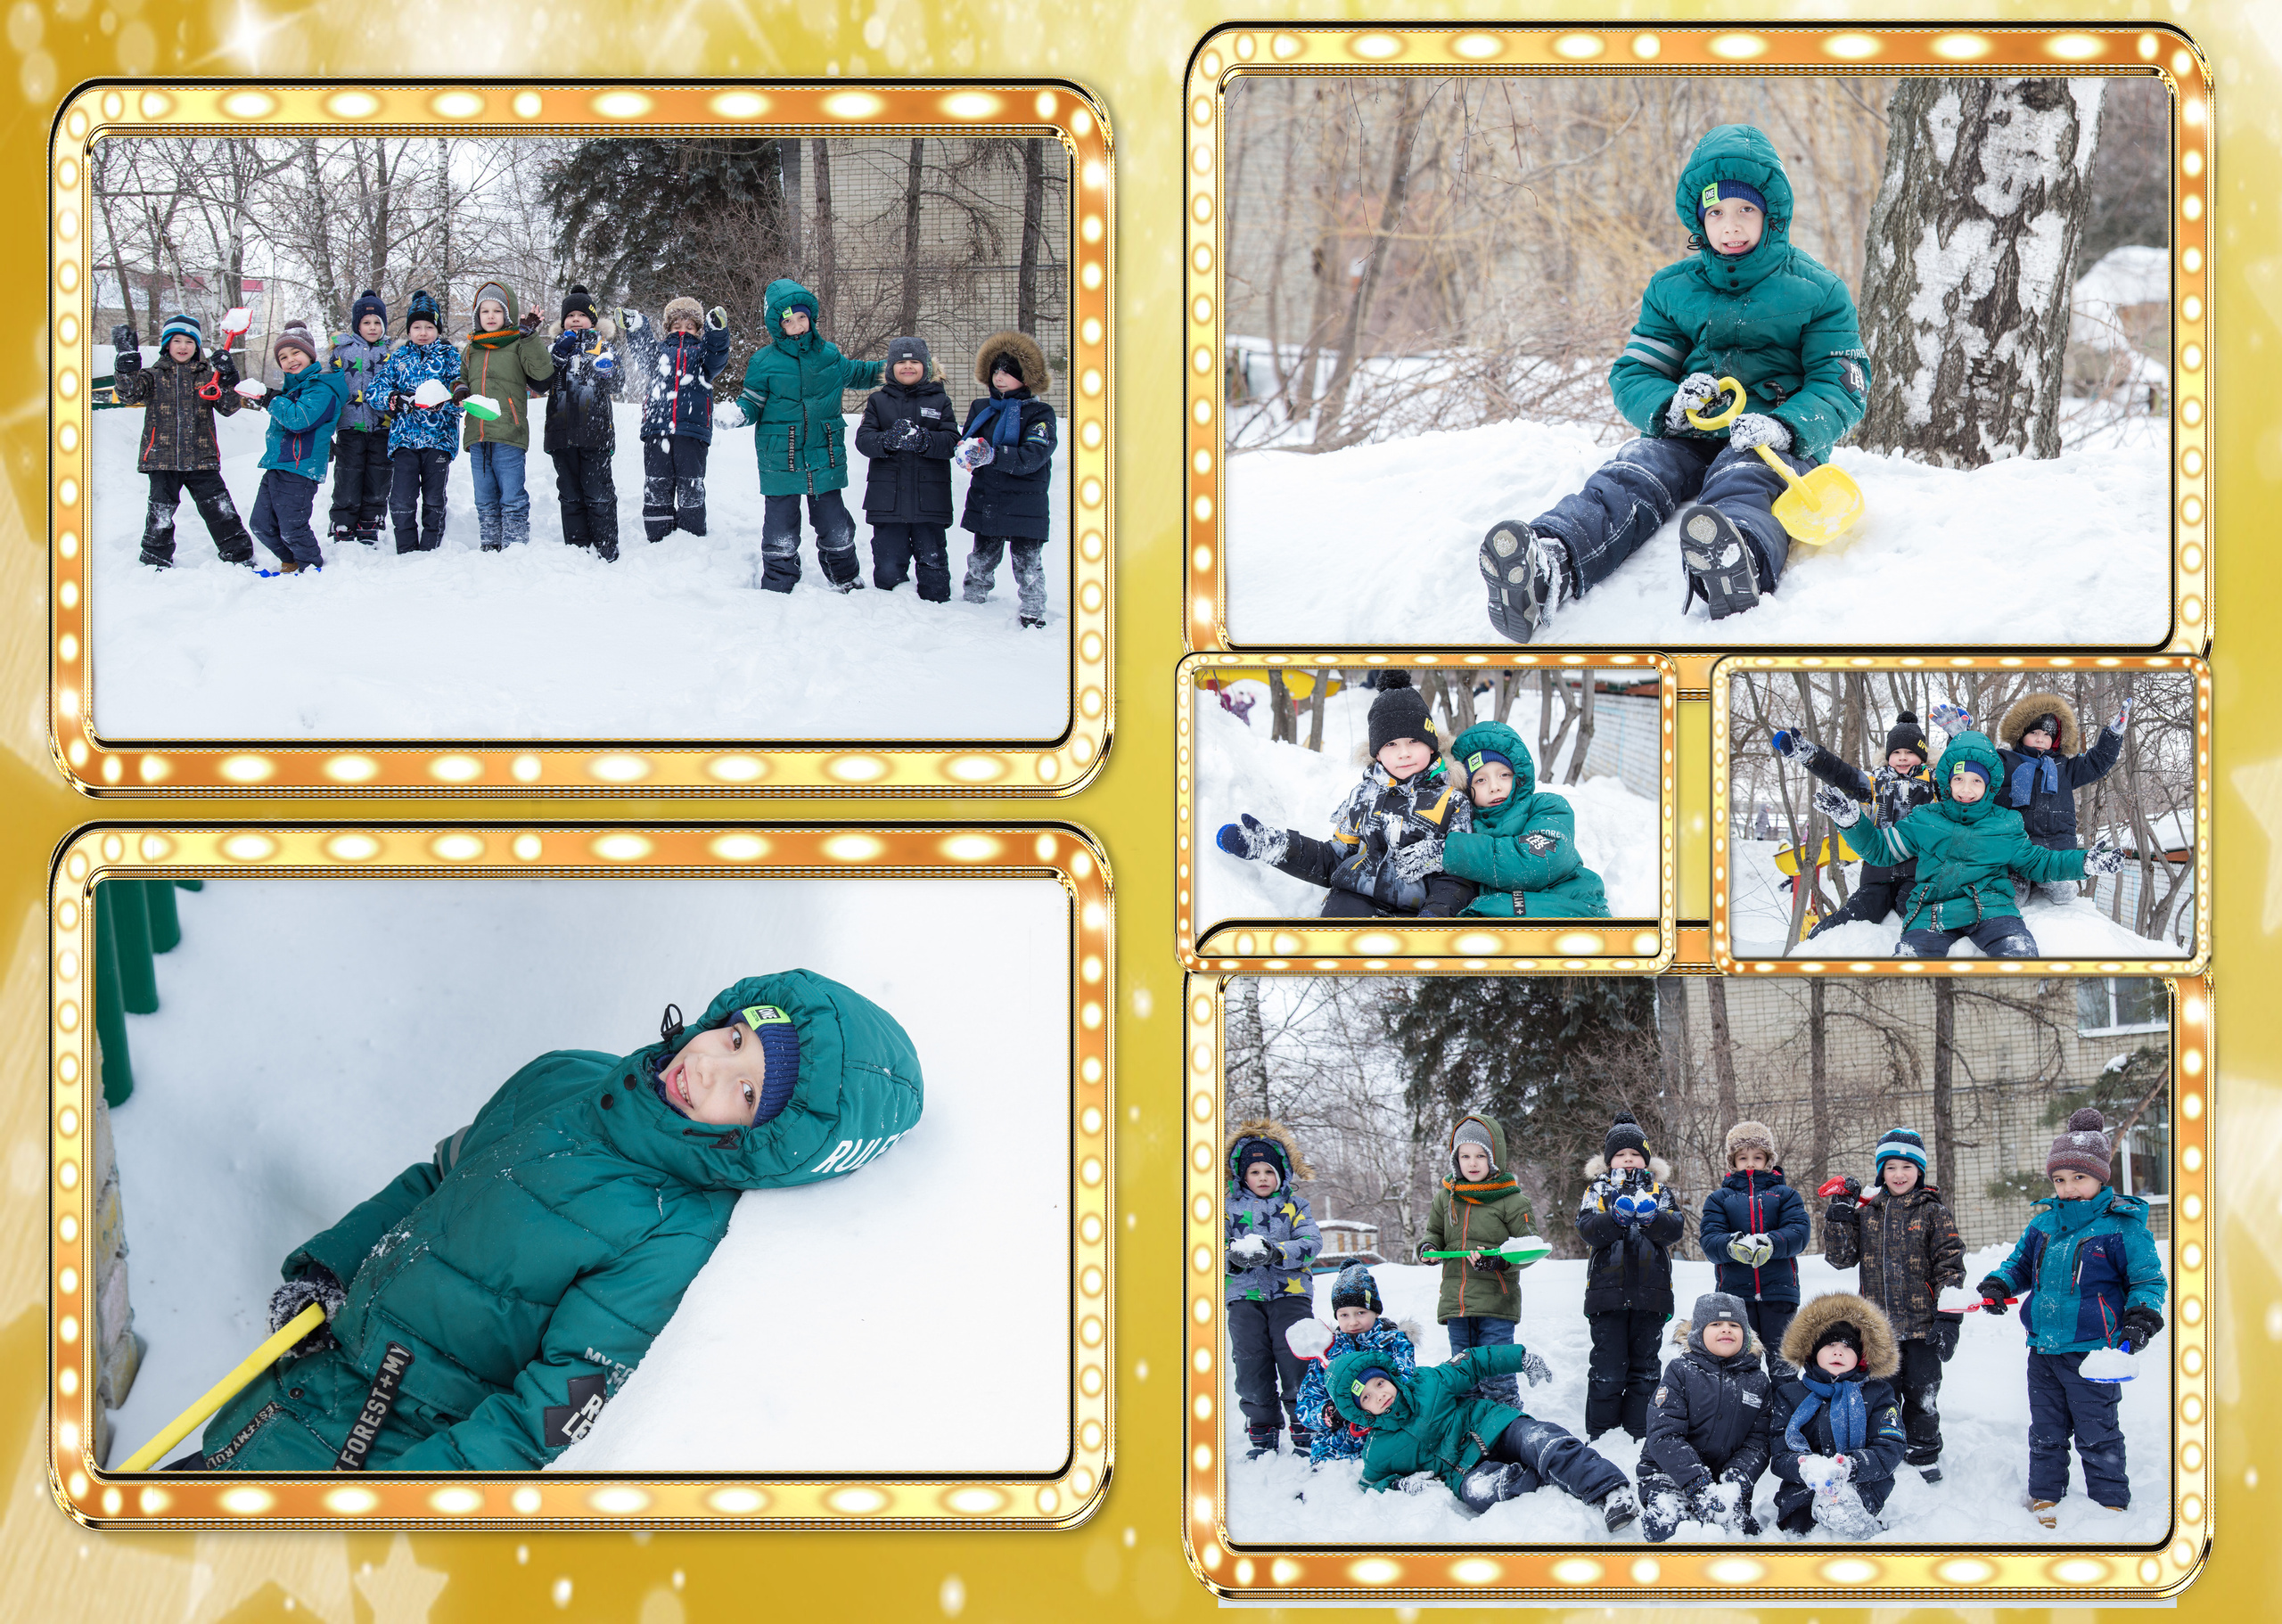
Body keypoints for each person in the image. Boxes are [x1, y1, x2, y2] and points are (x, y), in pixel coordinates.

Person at [181, 972, 923, 1471]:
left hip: (382, 1445)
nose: (708, 1070)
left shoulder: (671, 1231)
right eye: (734, 1041)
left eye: (745, 1088)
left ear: (758, 1143)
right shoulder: (564, 1075)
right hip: (298, 1375)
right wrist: (331, 1272)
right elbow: (438, 1178)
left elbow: (553, 1407)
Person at [1480, 124, 1869, 638]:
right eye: (1717, 213)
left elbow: (1842, 381)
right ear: (1699, 219)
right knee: (1630, 474)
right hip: (1689, 432)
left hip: (1769, 441)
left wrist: (1786, 427)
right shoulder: (1671, 290)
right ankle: (1547, 562)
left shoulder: (1818, 291)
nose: (1730, 226)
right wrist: (1670, 406)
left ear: (1771, 216)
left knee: (1746, 480)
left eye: (1745, 211)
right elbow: (1636, 371)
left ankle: (1738, 558)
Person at [1975, 1108, 2168, 1529]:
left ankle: (2109, 1501)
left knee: (2097, 1431)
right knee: (2045, 1429)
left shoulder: (2123, 1228)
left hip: (2094, 1352)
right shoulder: (2043, 1225)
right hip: (2043, 1349)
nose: (2068, 1188)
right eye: (2059, 1180)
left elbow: (2148, 1281)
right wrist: (1999, 1285)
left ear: (2101, 1177)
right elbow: (2018, 1266)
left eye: (2078, 1178)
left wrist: (2141, 1317)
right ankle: (2046, 1495)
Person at [1814, 730, 2126, 958]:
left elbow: (2042, 862)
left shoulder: (2005, 823)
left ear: (1988, 785)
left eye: (1976, 781)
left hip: (1994, 911)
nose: (1967, 789)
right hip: (1933, 912)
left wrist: (2084, 863)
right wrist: (1852, 822)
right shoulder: (1925, 819)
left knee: (2021, 956)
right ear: (1947, 781)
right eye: (1959, 779)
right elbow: (1882, 851)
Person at [1214, 673, 1475, 918]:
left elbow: (1458, 875)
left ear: (1431, 746)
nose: (1404, 753)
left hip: (1416, 912)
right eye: (1391, 744)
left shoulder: (1453, 801)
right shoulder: (1364, 795)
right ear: (1376, 753)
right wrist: (1272, 845)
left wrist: (1435, 917)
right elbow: (1334, 858)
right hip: (1355, 901)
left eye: (1414, 741)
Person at [1326, 1343, 1638, 1532]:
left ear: (1389, 1377)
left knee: (1540, 1438)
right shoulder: (1378, 1450)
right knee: (1480, 1492)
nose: (1379, 1396)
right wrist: (1399, 1483)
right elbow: (1369, 1483)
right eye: (1366, 1397)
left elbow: (1472, 1361)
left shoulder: (1428, 1382)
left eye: (1379, 1384)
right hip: (1463, 1471)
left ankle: (1609, 1490)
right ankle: (1539, 1478)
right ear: (1361, 1412)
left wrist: (1519, 1358)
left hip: (1491, 1425)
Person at [1821, 1127, 1966, 1482]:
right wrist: (1840, 1214)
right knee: (1883, 1394)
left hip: (1922, 1326)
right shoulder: (1867, 1212)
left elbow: (1950, 1263)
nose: (1899, 1175)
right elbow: (1840, 1259)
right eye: (1890, 1167)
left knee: (1922, 1393)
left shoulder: (1933, 1211)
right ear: (1880, 1172)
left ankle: (1924, 1452)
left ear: (1919, 1171)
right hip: (1877, 1327)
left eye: (1906, 1167)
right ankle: (1887, 1449)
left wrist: (1948, 1319)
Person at [721, 279, 880, 588]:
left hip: (825, 451)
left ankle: (845, 577)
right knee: (780, 526)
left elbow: (861, 373)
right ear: (778, 325)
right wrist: (739, 414)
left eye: (801, 318)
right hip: (781, 454)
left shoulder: (829, 355)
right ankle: (779, 582)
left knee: (835, 524)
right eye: (788, 320)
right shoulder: (764, 361)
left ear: (811, 318)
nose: (796, 325)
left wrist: (896, 368)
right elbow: (753, 401)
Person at [1930, 695, 2129, 906]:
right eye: (2034, 732)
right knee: (2013, 897)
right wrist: (1960, 735)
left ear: (2056, 739)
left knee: (2064, 893)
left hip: (2056, 850)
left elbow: (2097, 762)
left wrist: (2113, 735)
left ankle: (2051, 878)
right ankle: (2017, 882)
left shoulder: (2065, 768)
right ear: (2021, 734)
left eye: (2046, 734)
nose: (2040, 738)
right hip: (2016, 852)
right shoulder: (2004, 762)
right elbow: (1973, 759)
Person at [1768, 709, 1938, 938]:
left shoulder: (1934, 782)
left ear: (1923, 755)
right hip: (1878, 872)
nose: (1903, 757)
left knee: (1914, 909)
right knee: (1860, 909)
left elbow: (1962, 777)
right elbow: (1841, 774)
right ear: (1888, 756)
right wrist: (1809, 755)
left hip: (1918, 871)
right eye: (1896, 752)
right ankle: (1815, 945)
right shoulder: (1875, 782)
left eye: (1910, 752)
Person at [110, 311, 255, 568]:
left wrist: (229, 376)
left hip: (201, 457)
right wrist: (125, 366)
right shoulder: (152, 375)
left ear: (196, 347)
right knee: (160, 513)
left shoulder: (208, 376)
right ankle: (155, 557)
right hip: (162, 457)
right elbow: (129, 395)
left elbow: (229, 407)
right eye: (177, 341)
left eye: (189, 342)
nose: (183, 347)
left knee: (220, 508)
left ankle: (238, 555)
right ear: (167, 344)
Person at [1575, 1111, 1685, 1439]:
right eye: (1621, 1154)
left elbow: (1675, 1230)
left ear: (1646, 1158)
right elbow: (1588, 1230)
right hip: (1606, 1294)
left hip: (1651, 1294)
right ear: (1609, 1160)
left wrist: (1654, 1221)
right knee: (1608, 1367)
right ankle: (1602, 1433)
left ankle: (1639, 1431)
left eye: (1635, 1154)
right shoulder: (1598, 1189)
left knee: (1646, 1368)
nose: (1628, 1159)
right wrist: (1615, 1220)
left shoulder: (1659, 1191)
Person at [1421, 1112, 1540, 1408]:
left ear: (1493, 1157)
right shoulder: (1445, 1197)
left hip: (1496, 1304)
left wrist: (1499, 1262)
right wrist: (1428, 1248)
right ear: (1455, 1159)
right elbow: (1434, 1232)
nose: (1472, 1163)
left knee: (1495, 1372)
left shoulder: (1512, 1200)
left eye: (1480, 1155)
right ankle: (1470, 1431)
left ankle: (1507, 1425)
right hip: (1457, 1305)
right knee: (1463, 1374)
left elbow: (1530, 1246)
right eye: (1465, 1156)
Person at [1767, 1293, 1909, 1538]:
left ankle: (1860, 1526)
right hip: (1803, 1488)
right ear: (1812, 1352)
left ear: (1862, 1358)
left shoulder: (1879, 1394)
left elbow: (1890, 1447)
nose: (1838, 1352)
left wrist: (1850, 1468)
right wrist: (1806, 1468)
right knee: (1796, 1534)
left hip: (1861, 1485)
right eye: (1830, 1345)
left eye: (1847, 1347)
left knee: (1841, 1512)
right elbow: (1779, 1454)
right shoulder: (1790, 1394)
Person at [1637, 1292, 1775, 1541]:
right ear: (1699, 1332)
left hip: (1726, 1483)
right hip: (1670, 1475)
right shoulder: (1681, 1372)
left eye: (1734, 1325)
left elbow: (1758, 1441)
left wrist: (1736, 1482)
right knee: (1671, 1529)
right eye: (1716, 1324)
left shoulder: (1758, 1382)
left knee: (1739, 1534)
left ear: (1745, 1335)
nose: (1726, 1330)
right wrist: (1698, 1485)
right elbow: (1664, 1435)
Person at [1441, 720, 1613, 918]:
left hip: (1571, 906)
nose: (1494, 786)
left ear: (1519, 777)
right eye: (1480, 780)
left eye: (1504, 775)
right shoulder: (1466, 825)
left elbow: (1536, 862)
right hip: (1509, 913)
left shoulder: (1547, 807)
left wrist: (1450, 849)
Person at [1223, 1120, 1322, 1460]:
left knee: (1296, 1359)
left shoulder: (1296, 1206)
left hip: (1290, 1295)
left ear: (1281, 1173)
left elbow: (1311, 1242)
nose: (1263, 1177)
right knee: (1251, 1364)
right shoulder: (1226, 1209)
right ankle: (1262, 1429)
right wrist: (1232, 1259)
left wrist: (1278, 1251)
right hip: (1243, 1297)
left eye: (1269, 1170)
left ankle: (1305, 1424)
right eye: (1254, 1171)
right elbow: (1203, 1250)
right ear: (1242, 1175)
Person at [956, 330, 1059, 627]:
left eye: (1008, 372)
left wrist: (993, 455)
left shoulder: (1040, 413)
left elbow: (1033, 455)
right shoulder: (982, 409)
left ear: (1026, 378)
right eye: (996, 371)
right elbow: (969, 441)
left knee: (1027, 562)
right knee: (982, 557)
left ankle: (1033, 609)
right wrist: (966, 453)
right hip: (988, 497)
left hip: (1026, 501)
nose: (999, 378)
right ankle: (974, 600)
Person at [1699, 1121, 1812, 1382]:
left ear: (1769, 1160)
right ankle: (1748, 1419)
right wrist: (1732, 1245)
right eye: (1743, 1157)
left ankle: (1785, 1419)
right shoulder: (1719, 1199)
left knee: (1784, 1365)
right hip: (1736, 1297)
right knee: (1740, 1366)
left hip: (1779, 1293)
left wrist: (1771, 1242)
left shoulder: (1785, 1195)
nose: (1750, 1163)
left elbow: (1799, 1231)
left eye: (1757, 1157)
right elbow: (1710, 1239)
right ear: (1733, 1161)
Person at [854, 335, 959, 597]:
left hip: (930, 501)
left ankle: (938, 615)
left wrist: (924, 439)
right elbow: (864, 441)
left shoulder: (939, 401)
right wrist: (888, 440)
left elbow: (951, 442)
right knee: (888, 567)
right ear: (891, 368)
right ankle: (891, 619)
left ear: (925, 366)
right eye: (901, 362)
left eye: (914, 361)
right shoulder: (879, 401)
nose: (908, 367)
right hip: (887, 501)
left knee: (933, 564)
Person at [243, 323, 352, 577]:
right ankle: (291, 561)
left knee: (292, 526)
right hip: (278, 463)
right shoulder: (292, 389)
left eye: (296, 353)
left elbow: (299, 420)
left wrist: (271, 399)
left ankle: (311, 567)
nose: (290, 360)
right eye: (283, 357)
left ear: (310, 355)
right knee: (260, 524)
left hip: (300, 466)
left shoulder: (322, 388)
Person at [626, 295, 734, 544]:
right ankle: (657, 536)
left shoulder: (703, 355)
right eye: (677, 325)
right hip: (657, 429)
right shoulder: (659, 353)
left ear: (698, 330)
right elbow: (643, 352)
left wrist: (717, 331)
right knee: (657, 483)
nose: (683, 330)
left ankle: (692, 538)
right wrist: (637, 326)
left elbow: (718, 355)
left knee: (690, 485)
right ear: (668, 328)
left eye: (690, 326)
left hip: (692, 430)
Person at [459, 278, 554, 551]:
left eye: (497, 310)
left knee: (512, 496)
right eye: (485, 310)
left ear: (508, 314)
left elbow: (542, 374)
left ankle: (514, 548)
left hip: (509, 432)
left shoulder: (517, 343)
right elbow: (461, 378)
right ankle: (489, 547)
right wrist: (460, 389)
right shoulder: (472, 348)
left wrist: (529, 337)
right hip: (477, 433)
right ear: (478, 315)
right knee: (484, 498)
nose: (490, 316)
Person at [1291, 1264, 1417, 1466]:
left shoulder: (1394, 1343)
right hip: (1339, 1444)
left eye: (1360, 1312)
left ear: (1375, 1312)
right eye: (1344, 1315)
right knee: (1331, 1477)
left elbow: (1406, 1383)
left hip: (1387, 1431)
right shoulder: (1328, 1352)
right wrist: (1328, 1414)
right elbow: (1307, 1403)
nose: (1352, 1322)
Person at [369, 290, 464, 554]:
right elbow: (376, 389)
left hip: (439, 438)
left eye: (429, 327)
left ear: (437, 329)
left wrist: (453, 398)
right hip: (404, 439)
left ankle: (430, 548)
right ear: (409, 330)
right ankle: (406, 548)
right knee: (401, 498)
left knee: (434, 497)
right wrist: (394, 399)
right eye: (417, 327)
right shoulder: (398, 358)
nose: (423, 332)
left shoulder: (449, 356)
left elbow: (460, 386)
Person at [541, 285, 621, 561]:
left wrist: (606, 367)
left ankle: (606, 547)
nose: (576, 319)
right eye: (570, 315)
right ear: (563, 321)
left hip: (595, 435)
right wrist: (558, 355)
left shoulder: (603, 347)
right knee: (570, 495)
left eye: (582, 315)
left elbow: (618, 382)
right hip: (561, 434)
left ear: (593, 320)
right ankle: (577, 549)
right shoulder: (554, 349)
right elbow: (542, 382)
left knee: (599, 494)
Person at [324, 290, 394, 549]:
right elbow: (328, 384)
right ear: (357, 325)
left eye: (377, 322)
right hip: (349, 424)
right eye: (366, 322)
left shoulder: (391, 352)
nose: (372, 327)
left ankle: (371, 521)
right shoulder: (341, 351)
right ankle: (343, 522)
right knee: (348, 475)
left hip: (382, 425)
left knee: (378, 475)